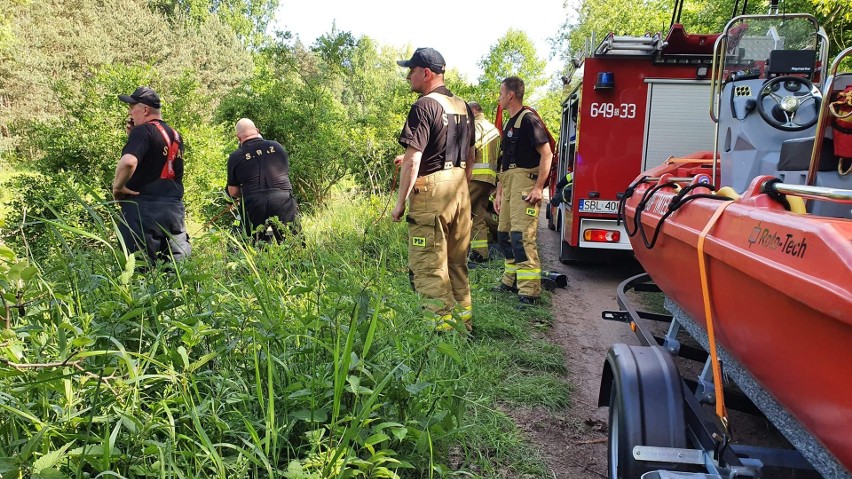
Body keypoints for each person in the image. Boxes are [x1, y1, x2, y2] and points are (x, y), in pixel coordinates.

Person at [392, 47, 475, 332]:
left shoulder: (424, 105)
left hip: (432, 193)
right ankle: (464, 324)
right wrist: (463, 184)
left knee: (429, 264)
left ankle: (440, 335)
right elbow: (471, 153)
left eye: (411, 71)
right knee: (456, 263)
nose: (408, 77)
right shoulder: (463, 105)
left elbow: (414, 158)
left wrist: (400, 202)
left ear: (426, 73)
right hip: (460, 188)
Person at [492, 76, 553, 307]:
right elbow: (505, 164)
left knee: (521, 237)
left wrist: (538, 187)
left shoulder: (529, 120)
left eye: (500, 93)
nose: (498, 98)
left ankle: (530, 292)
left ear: (510, 95)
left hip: (524, 186)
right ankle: (510, 280)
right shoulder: (509, 123)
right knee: (504, 235)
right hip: (508, 184)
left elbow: (547, 154)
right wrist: (499, 192)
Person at [113, 86, 191, 264]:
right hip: (173, 211)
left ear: (145, 109)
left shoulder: (143, 131)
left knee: (139, 270)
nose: (130, 112)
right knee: (178, 271)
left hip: (142, 209)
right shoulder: (176, 136)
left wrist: (117, 188)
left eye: (132, 107)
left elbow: (128, 162)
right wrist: (133, 137)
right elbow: (160, 164)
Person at [226, 118, 300, 242]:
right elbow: (285, 173)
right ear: (257, 130)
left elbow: (233, 192)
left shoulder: (235, 157)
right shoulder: (277, 146)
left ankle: (263, 256)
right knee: (292, 242)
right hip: (283, 199)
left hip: (255, 204)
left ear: (238, 137)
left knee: (261, 244)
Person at [467, 101, 500, 264]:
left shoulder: (475, 125)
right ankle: (481, 252)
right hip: (489, 179)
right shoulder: (493, 128)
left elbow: (470, 151)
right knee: (477, 214)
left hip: (475, 177)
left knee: (459, 211)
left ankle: (454, 251)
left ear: (473, 110)